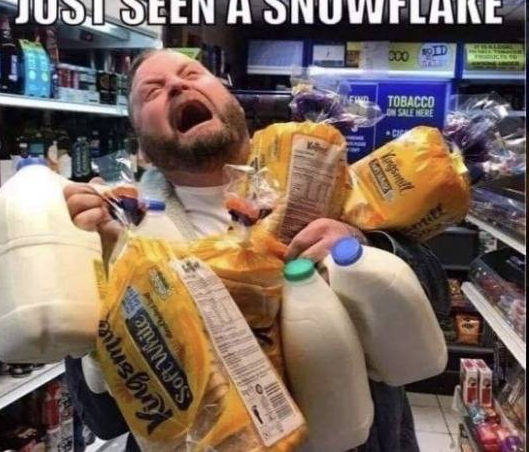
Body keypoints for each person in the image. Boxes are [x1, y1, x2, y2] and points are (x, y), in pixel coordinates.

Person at [64, 48, 419, 452]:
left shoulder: (327, 175)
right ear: (142, 149)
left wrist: (362, 246)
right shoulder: (125, 231)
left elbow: (433, 293)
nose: (176, 85)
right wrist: (89, 265)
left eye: (190, 74)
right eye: (153, 91)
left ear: (231, 101)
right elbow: (103, 418)